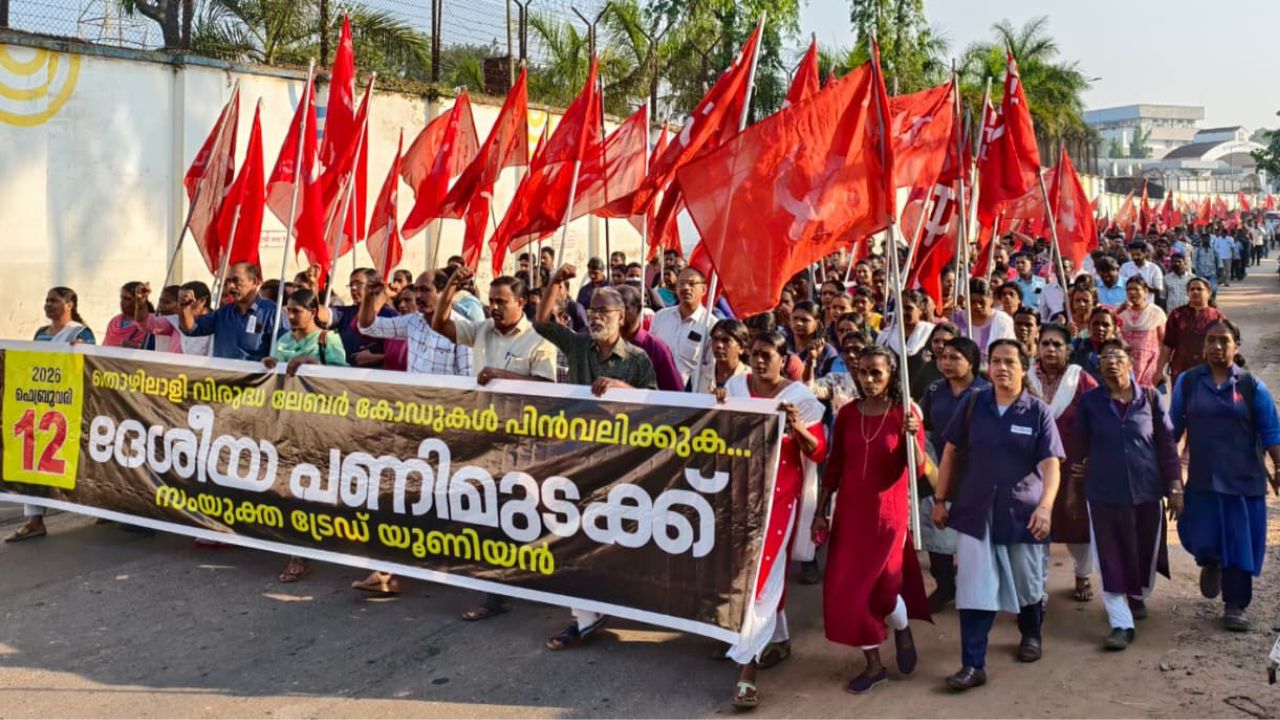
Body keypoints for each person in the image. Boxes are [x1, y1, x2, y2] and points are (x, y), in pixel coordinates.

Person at [534, 267, 657, 651]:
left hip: (621, 464)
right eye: (593, 309)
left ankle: (626, 601)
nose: (598, 316)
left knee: (616, 538)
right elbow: (540, 322)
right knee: (575, 534)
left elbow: (658, 406)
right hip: (577, 457)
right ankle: (583, 619)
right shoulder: (576, 345)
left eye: (606, 310)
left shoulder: (638, 360)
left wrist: (624, 389)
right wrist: (555, 280)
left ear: (623, 317)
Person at [931, 340, 1064, 691]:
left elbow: (1051, 464)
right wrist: (941, 500)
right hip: (975, 512)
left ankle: (1031, 632)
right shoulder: (974, 404)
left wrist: (1046, 508)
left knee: (1028, 583)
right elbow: (951, 453)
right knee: (975, 589)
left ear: (1024, 367)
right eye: (995, 361)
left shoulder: (1037, 411)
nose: (1002, 368)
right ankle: (973, 664)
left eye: (1010, 362)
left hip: (1023, 513)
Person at [433, 268, 557, 621]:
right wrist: (452, 290)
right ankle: (496, 592)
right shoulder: (483, 329)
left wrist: (504, 377)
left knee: (527, 513)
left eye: (502, 302)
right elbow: (440, 325)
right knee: (491, 513)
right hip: (484, 437)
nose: (495, 308)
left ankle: (537, 577)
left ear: (521, 303)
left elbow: (545, 388)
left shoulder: (539, 340)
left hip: (523, 440)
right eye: (491, 301)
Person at [812, 346, 930, 694]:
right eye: (862, 372)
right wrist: (821, 511)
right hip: (850, 516)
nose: (868, 379)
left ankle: (902, 626)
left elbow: (920, 468)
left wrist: (913, 435)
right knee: (850, 592)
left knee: (885, 591)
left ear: (891, 375)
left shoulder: (904, 414)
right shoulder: (847, 414)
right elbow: (833, 467)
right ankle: (874, 664)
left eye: (876, 373)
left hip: (889, 517)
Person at [720, 331, 827, 709]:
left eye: (767, 355)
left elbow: (818, 452)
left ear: (784, 360)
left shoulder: (798, 398)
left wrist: (796, 426)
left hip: (779, 501)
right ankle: (776, 641)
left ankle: (747, 671)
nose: (759, 361)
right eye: (754, 354)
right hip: (737, 496)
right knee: (741, 573)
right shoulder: (735, 385)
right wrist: (716, 409)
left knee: (759, 580)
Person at [1170, 319, 1280, 632]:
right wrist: (1169, 474)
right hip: (1203, 479)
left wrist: (1279, 465)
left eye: (1224, 341)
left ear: (1236, 346)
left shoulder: (1250, 385)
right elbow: (1171, 430)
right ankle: (1211, 559)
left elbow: (1271, 431)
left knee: (1240, 544)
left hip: (1243, 480)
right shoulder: (1188, 383)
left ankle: (1235, 604)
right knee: (1199, 535)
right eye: (1211, 340)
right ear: (1203, 346)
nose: (1217, 347)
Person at [1073, 338, 1181, 650]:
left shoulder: (1149, 398)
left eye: (1117, 357)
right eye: (1104, 357)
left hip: (1147, 490)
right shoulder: (1090, 402)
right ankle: (1120, 622)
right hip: (1103, 493)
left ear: (1130, 363)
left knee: (1143, 550)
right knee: (1110, 555)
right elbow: (1079, 447)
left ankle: (1137, 594)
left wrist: (1175, 487)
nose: (1111, 362)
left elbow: (1167, 446)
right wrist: (1074, 489)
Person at [264, 289, 349, 584]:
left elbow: (343, 381)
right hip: (288, 425)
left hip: (320, 427)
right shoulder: (284, 340)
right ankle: (298, 554)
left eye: (296, 311)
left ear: (313, 311)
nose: (290, 316)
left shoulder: (328, 340)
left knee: (318, 488)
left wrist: (314, 367)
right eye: (287, 310)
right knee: (291, 489)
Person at [6, 288, 95, 543]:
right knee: (32, 461)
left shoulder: (80, 333)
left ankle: (104, 509)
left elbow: (91, 365)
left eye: (54, 301)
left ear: (69, 304)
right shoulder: (41, 334)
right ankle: (34, 520)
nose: (48, 305)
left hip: (67, 410)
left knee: (76, 463)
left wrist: (82, 351)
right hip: (41, 409)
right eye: (46, 300)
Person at [1028, 323, 1099, 602]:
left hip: (1072, 464)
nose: (1050, 349)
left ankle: (1082, 575)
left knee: (1075, 524)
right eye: (1045, 343)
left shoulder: (1081, 380)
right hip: (1033, 466)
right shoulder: (1025, 378)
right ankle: (1037, 586)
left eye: (1057, 344)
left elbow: (1099, 420)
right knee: (1036, 522)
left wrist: (1091, 458)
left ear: (1068, 350)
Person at [919, 336, 987, 613]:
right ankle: (945, 586)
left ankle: (977, 590)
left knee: (975, 538)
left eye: (954, 357)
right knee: (937, 535)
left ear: (970, 362)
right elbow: (923, 424)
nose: (946, 362)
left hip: (976, 471)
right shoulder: (935, 389)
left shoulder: (986, 392)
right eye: (943, 357)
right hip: (938, 470)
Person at [358, 271, 472, 378]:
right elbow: (368, 327)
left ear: (443, 293)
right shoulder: (413, 321)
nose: (418, 296)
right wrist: (369, 296)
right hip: (412, 397)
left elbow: (467, 377)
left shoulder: (462, 328)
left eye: (425, 290)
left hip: (443, 398)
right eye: (416, 290)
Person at [178, 262, 277, 361]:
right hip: (224, 375)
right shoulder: (223, 313)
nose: (231, 286)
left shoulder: (272, 313)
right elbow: (191, 329)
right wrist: (185, 307)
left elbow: (284, 350)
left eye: (236, 281)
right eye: (228, 281)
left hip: (255, 376)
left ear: (254, 282)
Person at [650, 267, 714, 386]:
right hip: (657, 392)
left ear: (704, 289)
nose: (685, 288)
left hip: (689, 395)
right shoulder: (660, 317)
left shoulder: (711, 324)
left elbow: (712, 368)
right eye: (681, 283)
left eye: (691, 284)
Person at [1156, 277, 1223, 387]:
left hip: (1209, 371)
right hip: (1181, 370)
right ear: (1187, 293)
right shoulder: (1177, 315)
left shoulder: (1217, 317)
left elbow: (1225, 346)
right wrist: (1159, 371)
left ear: (1209, 292)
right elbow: (1167, 345)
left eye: (1199, 289)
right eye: (1191, 289)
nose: (1195, 292)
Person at [326, 268, 399, 368]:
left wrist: (376, 357)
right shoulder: (345, 312)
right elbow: (325, 314)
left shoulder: (390, 316)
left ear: (374, 286)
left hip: (377, 378)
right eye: (351, 285)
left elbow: (400, 355)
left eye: (358, 284)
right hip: (346, 377)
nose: (353, 288)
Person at [617, 284, 683, 392]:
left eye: (624, 308)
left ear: (638, 309)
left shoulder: (656, 348)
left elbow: (675, 395)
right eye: (613, 309)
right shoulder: (600, 344)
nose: (619, 315)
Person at [1115, 277, 1167, 387]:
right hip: (1125, 362)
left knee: (1148, 396)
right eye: (1129, 289)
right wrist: (1119, 311)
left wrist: (1161, 367)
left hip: (1150, 363)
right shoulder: (1120, 311)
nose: (1132, 292)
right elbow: (1109, 327)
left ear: (1145, 291)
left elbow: (1164, 340)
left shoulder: (1156, 313)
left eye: (1136, 289)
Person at [954, 278, 1015, 368]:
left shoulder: (1002, 320)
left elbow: (1009, 351)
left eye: (981, 302)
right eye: (973, 302)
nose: (977, 306)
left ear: (991, 300)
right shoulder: (955, 318)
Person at [876, 289, 934, 383]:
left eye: (908, 308)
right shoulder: (886, 335)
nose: (902, 312)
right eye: (899, 308)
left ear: (920, 309)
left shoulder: (931, 333)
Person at [699, 318, 751, 393]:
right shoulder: (699, 375)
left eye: (726, 340)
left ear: (741, 348)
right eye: (715, 339)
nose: (718, 345)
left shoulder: (751, 378)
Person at [1070, 307, 1120, 385]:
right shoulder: (1077, 346)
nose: (1100, 328)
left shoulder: (1120, 353)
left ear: (1114, 329)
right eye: (1095, 324)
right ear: (1088, 326)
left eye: (1106, 325)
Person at [909, 323, 958, 401]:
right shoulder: (927, 369)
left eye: (946, 342)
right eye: (936, 341)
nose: (940, 345)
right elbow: (914, 398)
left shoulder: (964, 371)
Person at [102, 282, 156, 349]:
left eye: (127, 299)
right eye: (122, 298)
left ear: (139, 301)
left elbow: (153, 349)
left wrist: (137, 346)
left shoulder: (150, 323)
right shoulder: (115, 321)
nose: (122, 302)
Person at [1119, 242, 1164, 306]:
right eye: (1133, 255)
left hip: (1147, 307)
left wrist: (1142, 286)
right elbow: (1121, 286)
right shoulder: (1125, 267)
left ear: (1145, 253)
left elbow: (1158, 289)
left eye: (1138, 254)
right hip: (1128, 307)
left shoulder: (1154, 269)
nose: (1135, 257)